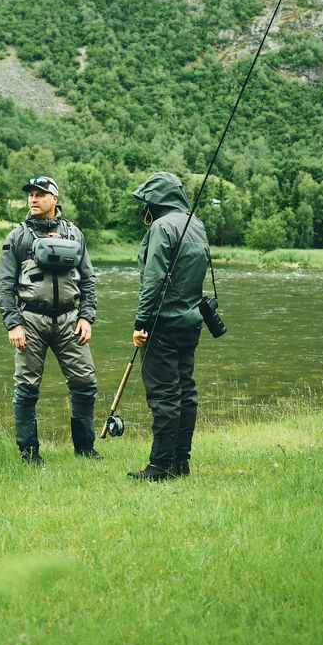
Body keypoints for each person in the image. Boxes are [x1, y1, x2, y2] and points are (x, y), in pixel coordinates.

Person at [0, 175, 101, 465]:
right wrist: (13, 323)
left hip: (70, 319)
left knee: (85, 384)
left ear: (54, 198)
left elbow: (88, 280)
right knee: (26, 389)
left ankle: (85, 451)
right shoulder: (18, 237)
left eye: (40, 194)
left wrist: (86, 316)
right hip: (30, 320)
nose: (33, 198)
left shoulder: (74, 234)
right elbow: (2, 285)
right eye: (30, 194)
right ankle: (30, 455)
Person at [127, 171, 211, 481]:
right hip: (191, 323)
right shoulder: (196, 225)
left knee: (164, 396)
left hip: (161, 325)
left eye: (146, 202)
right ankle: (180, 463)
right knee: (185, 393)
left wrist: (141, 322)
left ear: (155, 200)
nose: (144, 207)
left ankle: (160, 467)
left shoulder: (161, 228)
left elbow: (153, 279)